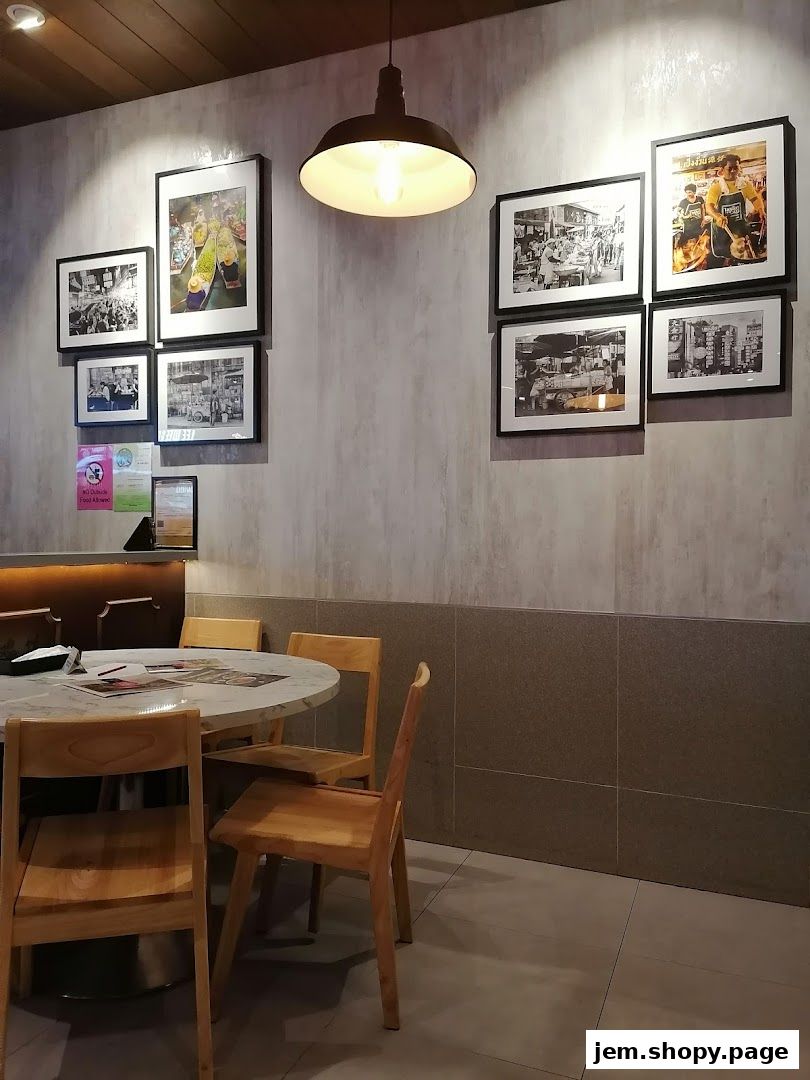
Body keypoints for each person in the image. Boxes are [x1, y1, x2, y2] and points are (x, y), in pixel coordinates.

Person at [705, 153, 766, 265]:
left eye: (736, 168)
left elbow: (755, 199)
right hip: (722, 230)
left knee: (743, 256)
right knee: (724, 258)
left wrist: (761, 211)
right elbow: (709, 207)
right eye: (730, 168)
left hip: (739, 228)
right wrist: (717, 216)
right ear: (722, 170)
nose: (733, 171)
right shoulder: (716, 187)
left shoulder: (745, 184)